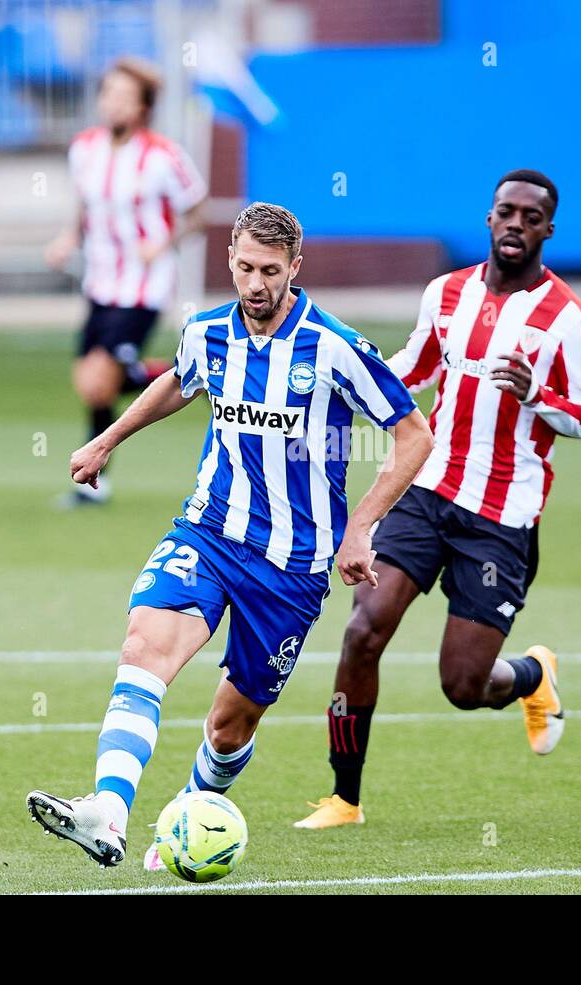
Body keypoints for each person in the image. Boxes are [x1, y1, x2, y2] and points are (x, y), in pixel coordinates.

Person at [26, 202, 434, 866]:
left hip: (293, 567)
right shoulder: (207, 331)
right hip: (210, 531)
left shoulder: (334, 347)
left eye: (270, 270)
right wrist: (107, 438)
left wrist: (362, 527)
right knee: (145, 643)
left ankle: (185, 816)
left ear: (295, 269)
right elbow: (180, 385)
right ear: (230, 261)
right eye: (244, 266)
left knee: (230, 723)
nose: (255, 284)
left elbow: (414, 434)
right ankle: (109, 807)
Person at [295, 170, 581, 830]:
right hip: (425, 489)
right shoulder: (446, 293)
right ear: (489, 219)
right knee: (362, 630)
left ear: (549, 229)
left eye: (531, 216)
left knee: (463, 685)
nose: (516, 224)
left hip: (501, 517)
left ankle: (528, 675)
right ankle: (344, 797)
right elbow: (414, 367)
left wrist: (536, 395)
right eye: (506, 212)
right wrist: (343, 378)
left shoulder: (570, 320)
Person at [45, 57, 207, 507]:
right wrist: (66, 238)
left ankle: (95, 482)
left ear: (142, 107)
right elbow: (82, 207)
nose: (111, 102)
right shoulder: (85, 149)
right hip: (99, 284)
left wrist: (164, 243)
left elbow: (198, 211)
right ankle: (191, 377)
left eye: (122, 95)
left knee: (99, 383)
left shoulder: (163, 156)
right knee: (90, 383)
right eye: (107, 92)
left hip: (143, 287)